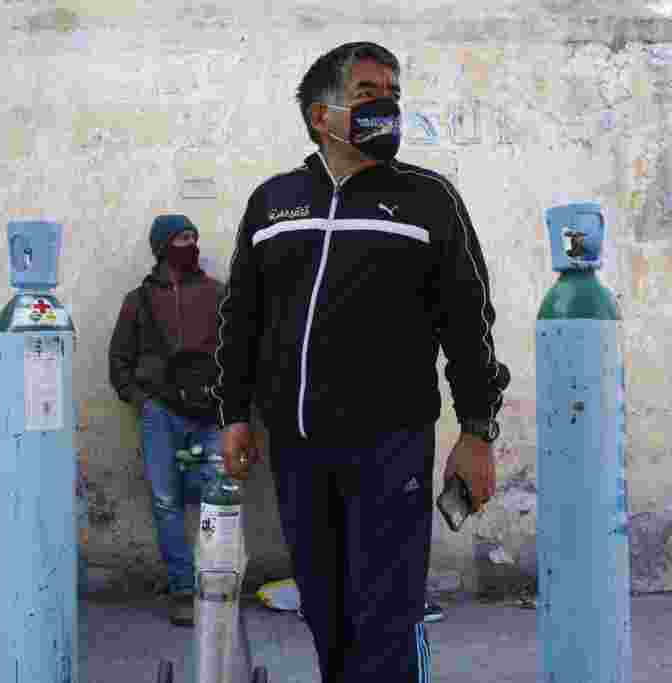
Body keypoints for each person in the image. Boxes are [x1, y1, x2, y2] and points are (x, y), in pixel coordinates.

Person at [213, 42, 510, 681]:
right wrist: (234, 415)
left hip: (389, 449)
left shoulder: (428, 199)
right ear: (323, 115)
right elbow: (242, 318)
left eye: (394, 96)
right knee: (325, 612)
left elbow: (468, 323)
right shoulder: (273, 203)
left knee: (385, 614)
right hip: (298, 449)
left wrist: (478, 432)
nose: (389, 107)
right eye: (371, 94)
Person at [109, 214, 225, 626]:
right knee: (166, 502)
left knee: (217, 500)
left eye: (193, 236)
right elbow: (119, 361)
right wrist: (142, 402)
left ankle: (216, 588)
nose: (189, 243)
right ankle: (182, 590)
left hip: (212, 417)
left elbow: (242, 352)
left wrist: (235, 406)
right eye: (180, 238)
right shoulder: (137, 301)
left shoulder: (218, 294)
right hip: (162, 415)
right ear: (161, 246)